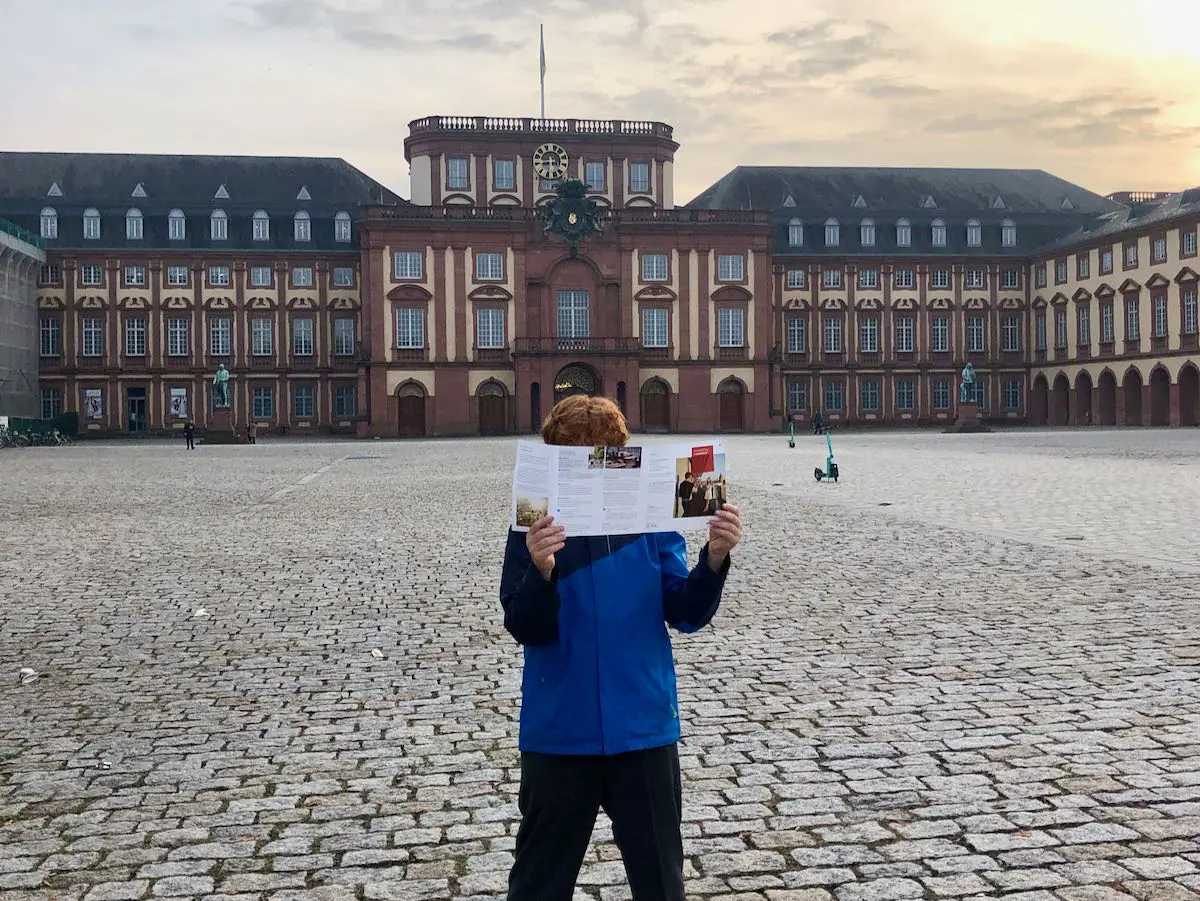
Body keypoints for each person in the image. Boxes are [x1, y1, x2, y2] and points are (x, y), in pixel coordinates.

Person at [501, 395, 742, 901]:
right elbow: (526, 626)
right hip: (560, 734)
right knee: (538, 885)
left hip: (643, 729)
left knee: (660, 885)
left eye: (604, 456)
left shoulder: (653, 524)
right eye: (575, 458)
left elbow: (686, 613)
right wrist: (542, 571)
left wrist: (714, 558)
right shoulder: (533, 529)